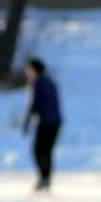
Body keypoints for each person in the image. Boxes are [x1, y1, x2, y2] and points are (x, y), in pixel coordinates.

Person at [22, 57, 62, 191]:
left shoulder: (38, 83)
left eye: (28, 70)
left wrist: (27, 120)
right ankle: (46, 178)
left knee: (38, 150)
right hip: (56, 121)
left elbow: (35, 104)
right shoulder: (51, 82)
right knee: (47, 151)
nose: (27, 72)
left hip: (45, 122)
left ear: (34, 70)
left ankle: (44, 177)